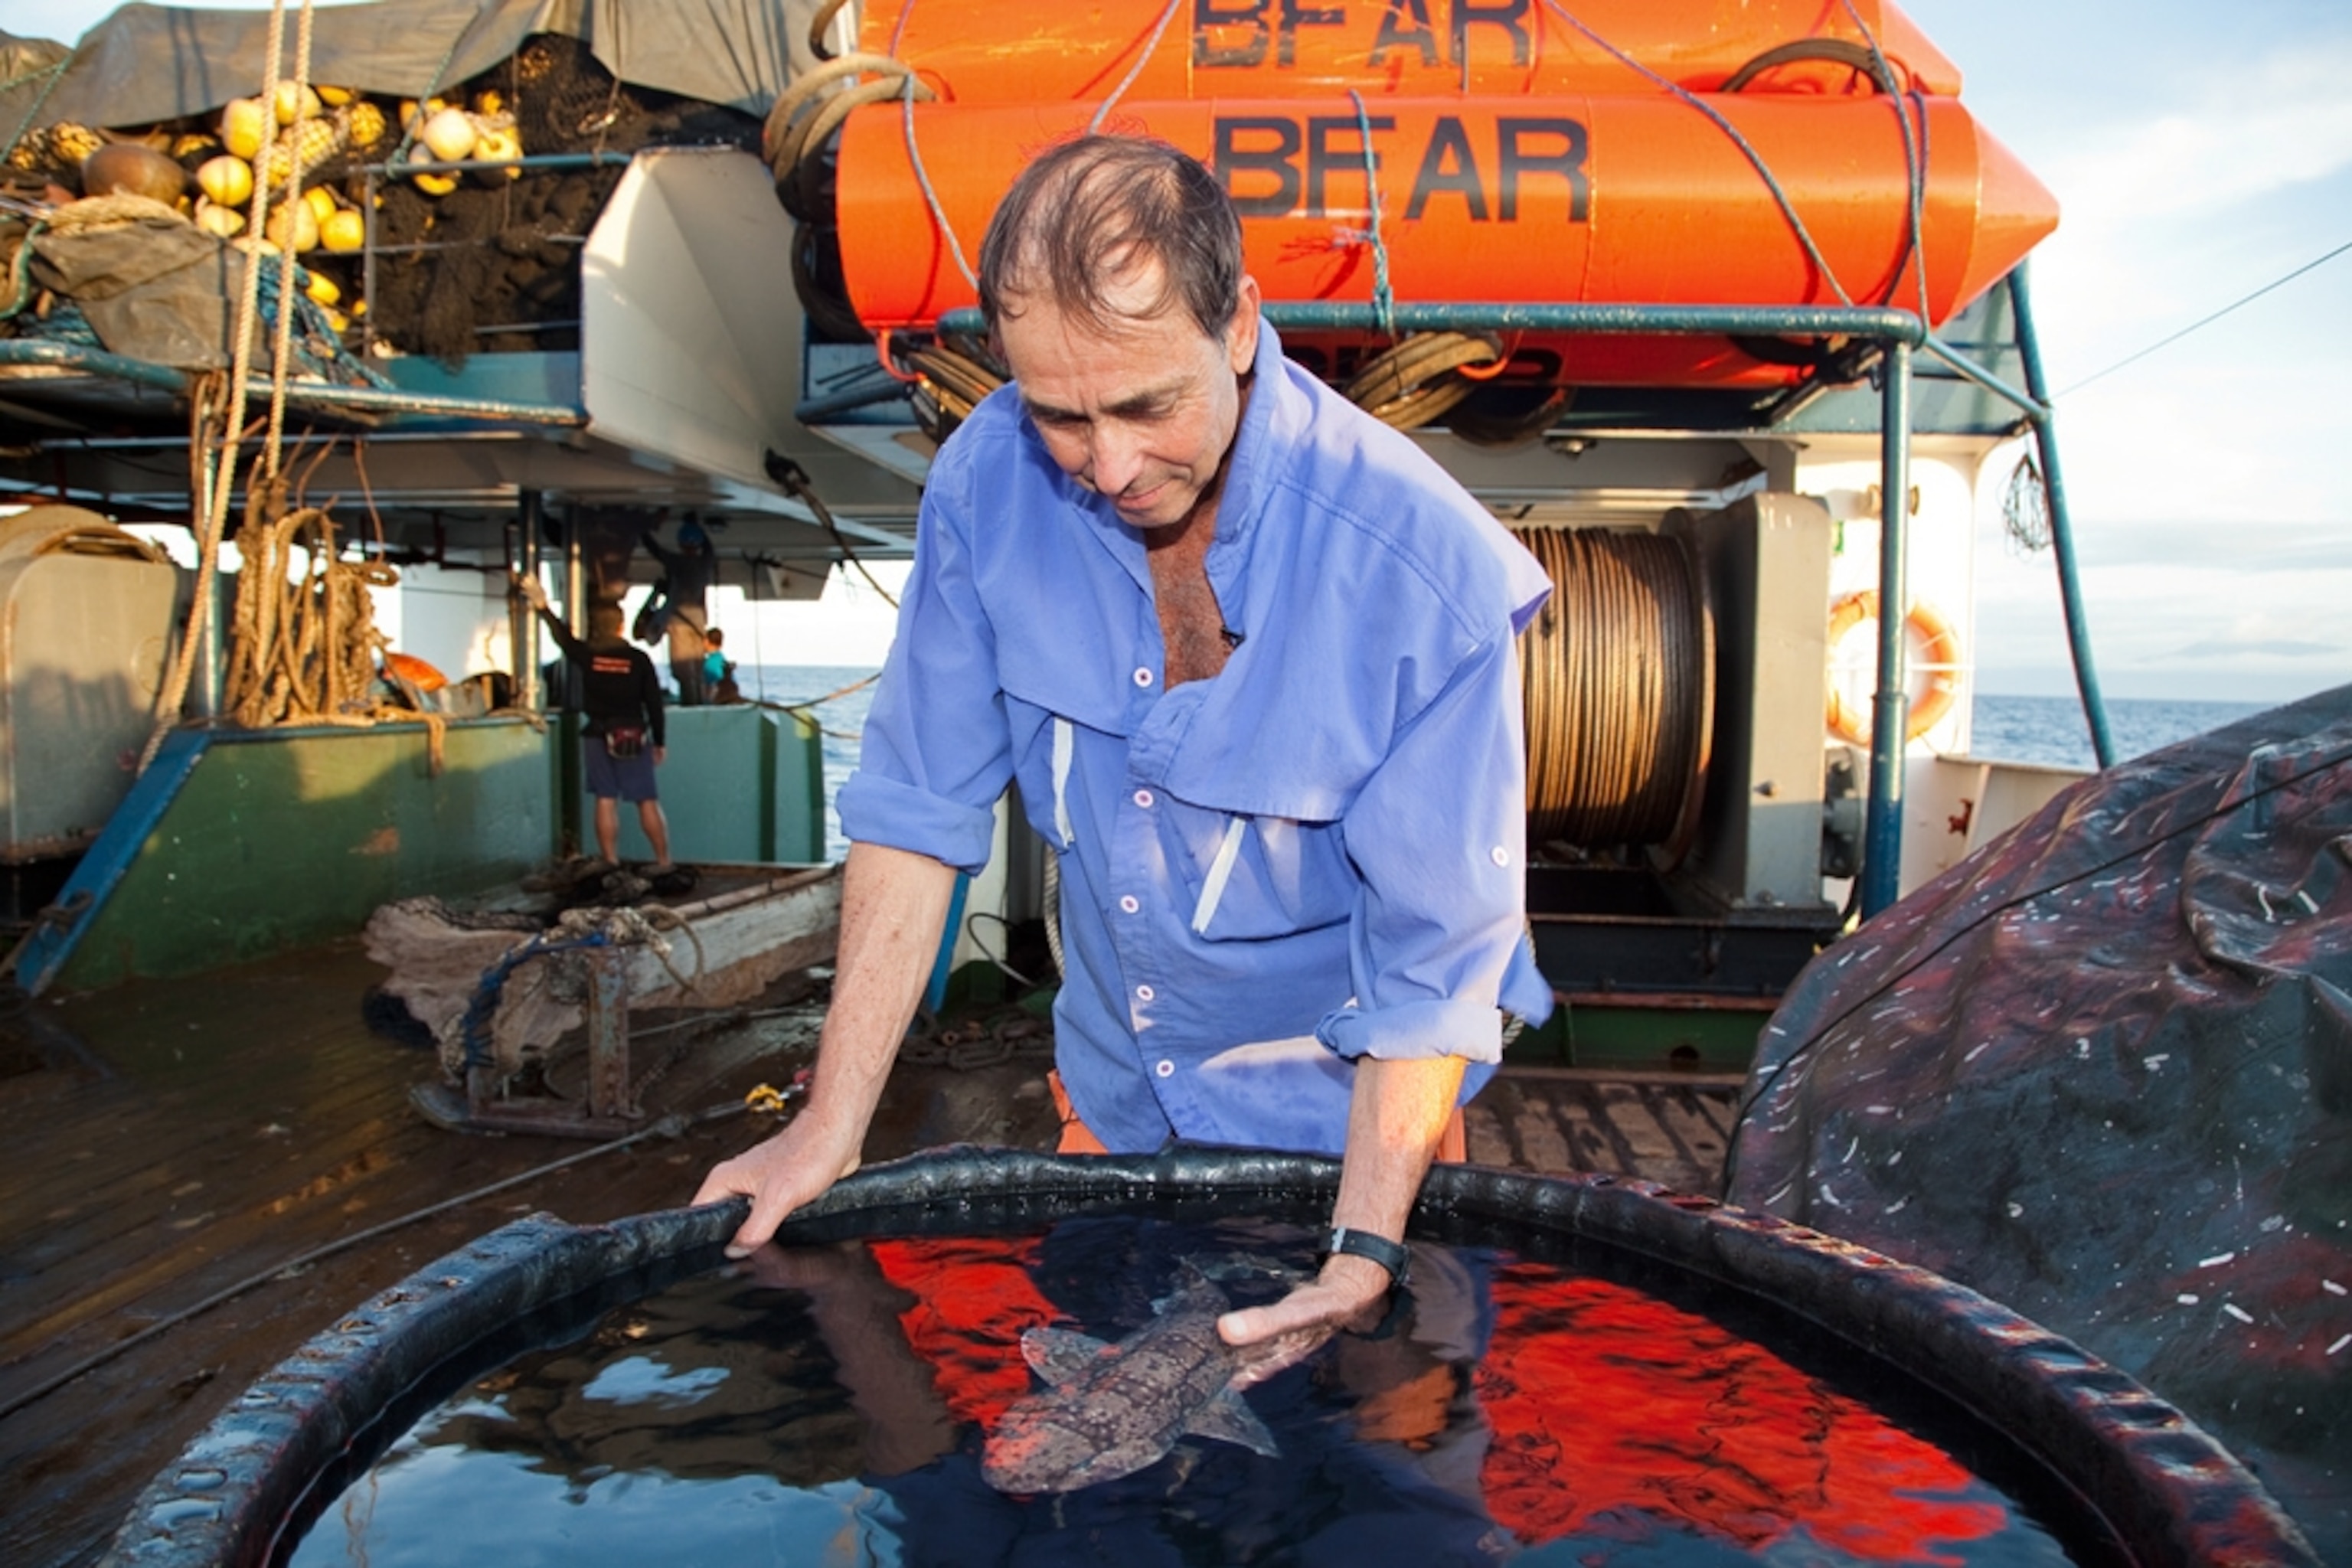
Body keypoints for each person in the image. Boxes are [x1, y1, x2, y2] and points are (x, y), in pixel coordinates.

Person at [695, 135, 1551, 1349]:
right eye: (1061, 414)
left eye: (1149, 405)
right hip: (1113, 1110)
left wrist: (1362, 1254)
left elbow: (1435, 966)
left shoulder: (1425, 574)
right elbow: (918, 809)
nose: (1109, 467)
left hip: (1349, 1146)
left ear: (1238, 325)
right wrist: (827, 1128)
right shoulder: (986, 486)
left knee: (1368, 1433)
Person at [516, 573, 673, 869]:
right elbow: (654, 703)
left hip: (597, 734)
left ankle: (610, 860)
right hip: (632, 736)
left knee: (605, 798)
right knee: (646, 800)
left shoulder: (588, 655)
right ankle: (664, 861)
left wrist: (543, 607)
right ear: (621, 625)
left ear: (594, 627)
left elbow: (563, 638)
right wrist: (660, 741)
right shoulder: (639, 660)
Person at [643, 518, 717, 705]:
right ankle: (699, 705)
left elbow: (656, 551)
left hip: (679, 624)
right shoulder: (705, 563)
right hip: (699, 624)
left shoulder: (677, 563)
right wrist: (698, 526)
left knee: (683, 670)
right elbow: (710, 549)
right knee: (697, 670)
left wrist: (642, 530)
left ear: (680, 543)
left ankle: (690, 706)